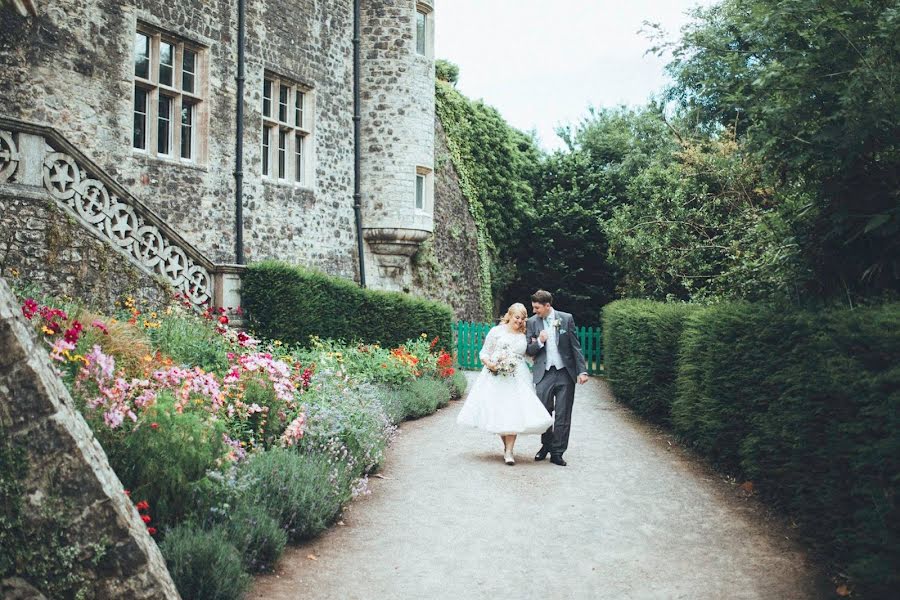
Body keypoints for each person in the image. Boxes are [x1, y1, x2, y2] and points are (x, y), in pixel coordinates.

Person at [456, 303, 554, 465]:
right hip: (496, 377)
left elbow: (530, 355)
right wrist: (490, 364)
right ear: (509, 316)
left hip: (518, 378)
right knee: (500, 413)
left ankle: (509, 451)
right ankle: (506, 447)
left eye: (523, 318)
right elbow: (484, 352)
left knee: (514, 411)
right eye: (517, 317)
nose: (520, 321)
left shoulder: (525, 334)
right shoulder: (496, 332)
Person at [526, 290, 589, 466]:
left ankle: (558, 452)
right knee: (544, 413)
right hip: (544, 373)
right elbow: (528, 349)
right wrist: (539, 341)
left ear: (547, 306)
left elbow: (575, 347)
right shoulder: (532, 322)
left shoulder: (566, 318)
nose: (534, 311)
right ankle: (545, 446)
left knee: (563, 414)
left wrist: (582, 371)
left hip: (565, 373)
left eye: (537, 307)